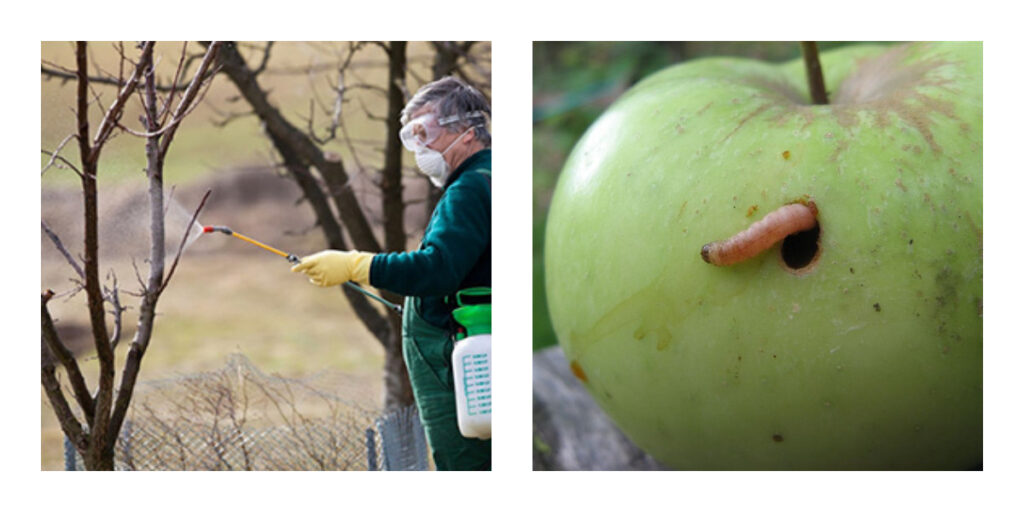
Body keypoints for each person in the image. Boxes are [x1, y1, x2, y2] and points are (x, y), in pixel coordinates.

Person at [291, 76, 491, 470]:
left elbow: (437, 269)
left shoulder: (469, 189)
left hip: (461, 368)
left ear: (468, 133)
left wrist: (356, 265)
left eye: (426, 133)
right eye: (412, 137)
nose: (420, 149)